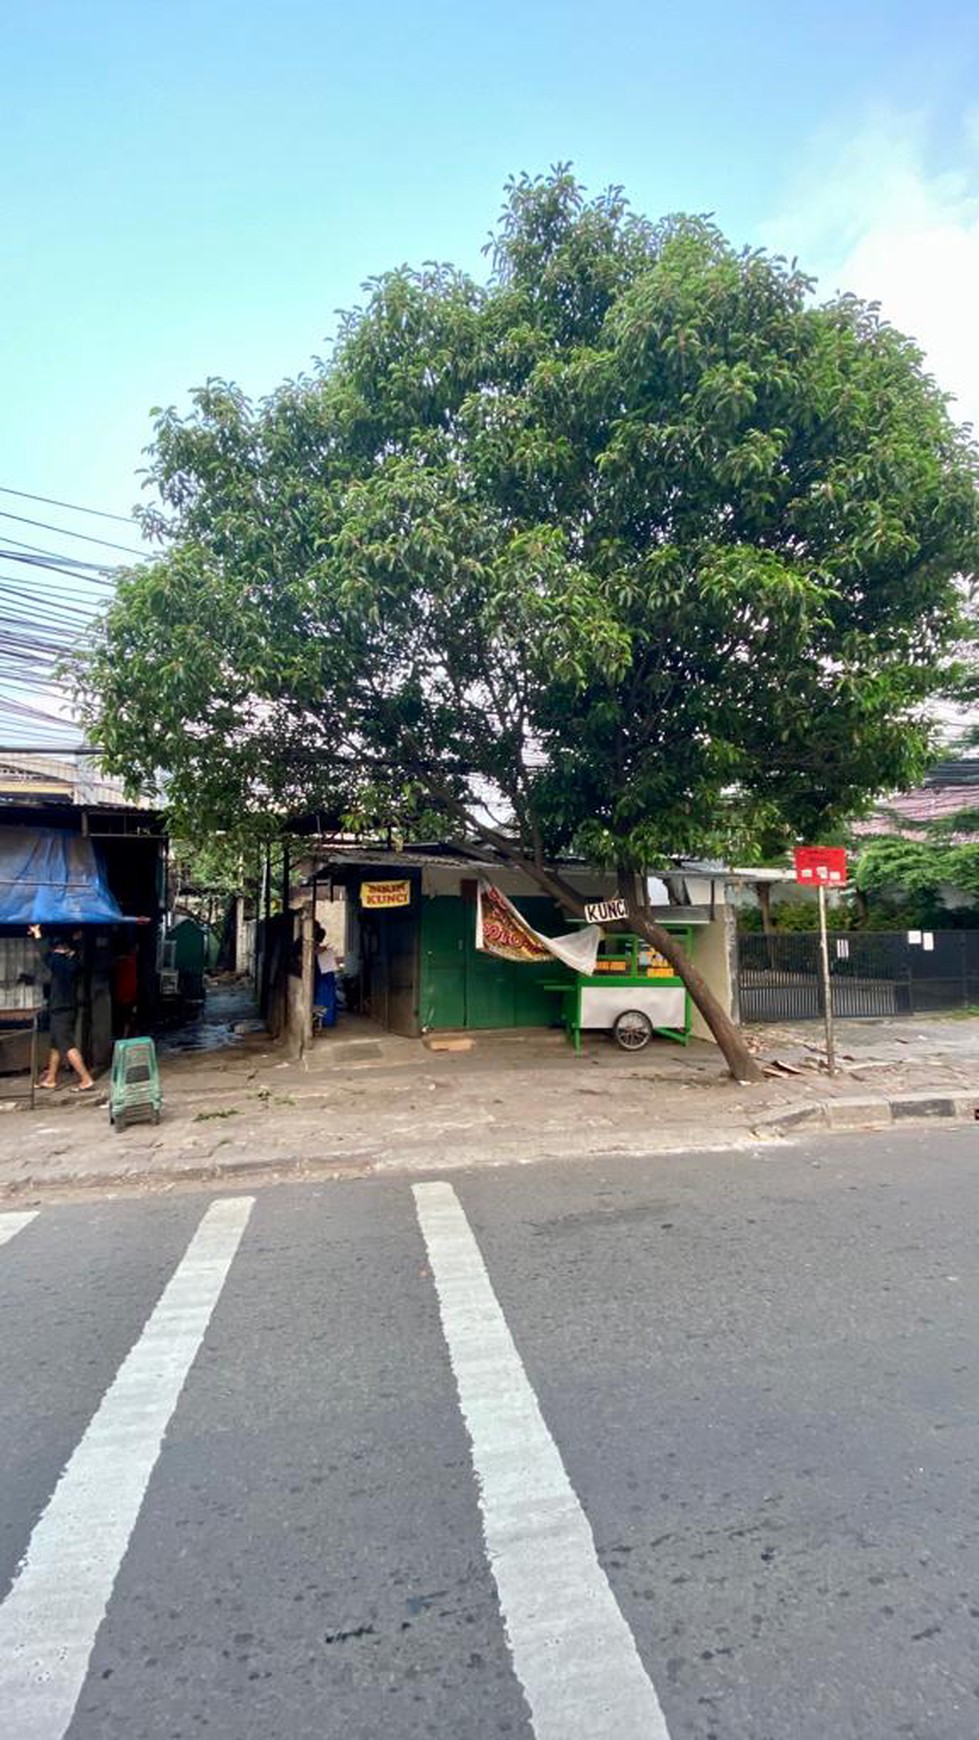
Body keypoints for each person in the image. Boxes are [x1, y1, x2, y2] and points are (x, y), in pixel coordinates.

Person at [29, 925, 95, 1092]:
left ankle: (86, 1079)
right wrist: (77, 942)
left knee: (67, 1046)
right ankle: (51, 1078)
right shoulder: (73, 962)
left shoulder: (57, 962)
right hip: (68, 1008)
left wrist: (37, 934)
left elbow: (44, 953)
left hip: (60, 1009)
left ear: (56, 946)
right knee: (56, 1045)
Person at [313, 924, 338, 1028]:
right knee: (324, 997)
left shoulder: (316, 949)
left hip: (323, 975)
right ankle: (324, 1019)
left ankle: (323, 1019)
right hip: (324, 975)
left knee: (322, 997)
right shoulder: (315, 949)